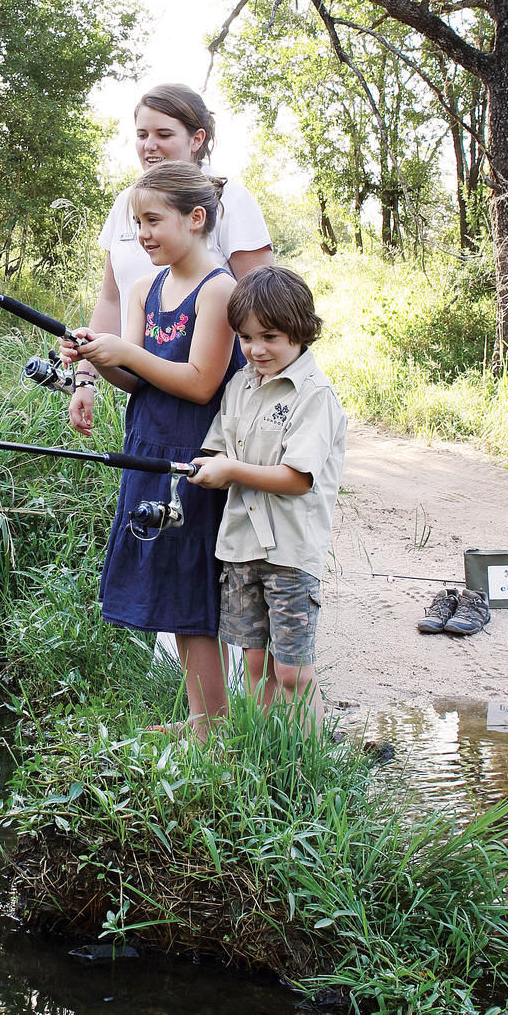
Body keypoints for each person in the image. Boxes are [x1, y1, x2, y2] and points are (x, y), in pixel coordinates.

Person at [66, 163, 238, 735]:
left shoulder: (220, 290)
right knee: (165, 576)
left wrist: (125, 352)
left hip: (196, 455)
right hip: (147, 445)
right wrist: (97, 357)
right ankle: (200, 718)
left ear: (196, 218)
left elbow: (199, 382)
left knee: (192, 585)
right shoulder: (145, 287)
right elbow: (137, 380)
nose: (141, 232)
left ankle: (211, 727)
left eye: (153, 220)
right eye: (137, 221)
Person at [188, 266, 347, 730]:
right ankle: (267, 757)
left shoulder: (314, 396)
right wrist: (209, 466)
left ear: (300, 332)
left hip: (291, 551)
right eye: (246, 338)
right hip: (240, 547)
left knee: (293, 670)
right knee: (256, 669)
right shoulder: (238, 386)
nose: (256, 350)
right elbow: (217, 445)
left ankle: (309, 763)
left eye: (270, 337)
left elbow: (298, 478)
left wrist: (231, 471)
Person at [67, 85, 272, 439]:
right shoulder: (126, 204)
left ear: (197, 139)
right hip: (150, 417)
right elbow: (111, 299)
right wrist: (89, 369)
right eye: (142, 134)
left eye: (164, 134)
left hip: (215, 419)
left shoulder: (232, 202)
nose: (150, 145)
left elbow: (268, 306)